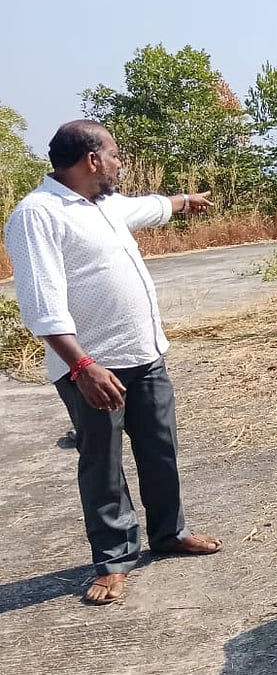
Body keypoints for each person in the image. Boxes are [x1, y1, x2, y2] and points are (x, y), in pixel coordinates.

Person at [3, 120, 223, 605]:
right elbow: (41, 304)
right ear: (92, 160)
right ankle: (114, 560)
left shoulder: (103, 206)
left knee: (160, 451)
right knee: (102, 467)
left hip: (145, 357)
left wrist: (184, 202)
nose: (121, 163)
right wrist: (82, 368)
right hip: (92, 369)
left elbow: (148, 208)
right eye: (116, 154)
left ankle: (169, 533)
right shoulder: (37, 214)